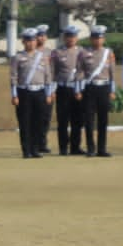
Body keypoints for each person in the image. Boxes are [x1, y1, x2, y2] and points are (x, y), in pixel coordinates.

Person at [10, 28, 52, 158]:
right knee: (25, 122)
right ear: (23, 42)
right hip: (24, 92)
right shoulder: (18, 57)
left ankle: (35, 149)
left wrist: (49, 93)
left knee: (38, 122)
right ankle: (26, 150)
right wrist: (14, 95)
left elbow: (48, 76)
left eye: (33, 40)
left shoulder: (43, 57)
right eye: (28, 40)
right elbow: (13, 77)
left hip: (39, 91)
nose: (31, 43)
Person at [77, 26, 117, 158]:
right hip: (89, 88)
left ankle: (102, 148)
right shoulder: (84, 53)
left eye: (100, 38)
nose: (97, 41)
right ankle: (90, 148)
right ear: (91, 39)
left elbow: (112, 74)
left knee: (103, 120)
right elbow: (79, 72)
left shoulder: (108, 53)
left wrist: (112, 90)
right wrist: (78, 90)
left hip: (104, 88)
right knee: (89, 120)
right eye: (95, 38)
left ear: (103, 39)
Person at [50, 24, 86, 155]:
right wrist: (51, 91)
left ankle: (75, 147)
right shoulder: (57, 53)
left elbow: (85, 72)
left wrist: (81, 90)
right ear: (64, 38)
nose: (71, 39)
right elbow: (52, 73)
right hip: (63, 89)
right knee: (63, 120)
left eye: (74, 36)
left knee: (78, 120)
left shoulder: (83, 52)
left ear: (77, 38)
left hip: (78, 90)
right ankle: (63, 147)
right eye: (69, 36)